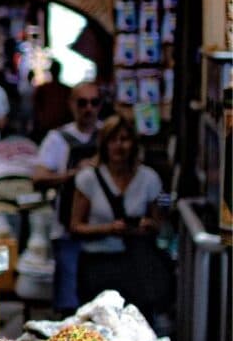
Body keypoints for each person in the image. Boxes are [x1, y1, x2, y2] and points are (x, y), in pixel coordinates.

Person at [69, 115, 170, 320]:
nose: (119, 146)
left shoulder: (149, 178)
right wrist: (108, 229)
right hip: (97, 265)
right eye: (113, 140)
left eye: (124, 139)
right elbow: (76, 226)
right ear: (104, 145)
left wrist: (145, 226)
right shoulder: (89, 179)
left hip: (136, 267)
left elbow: (159, 223)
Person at [32, 81, 102, 314]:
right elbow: (38, 177)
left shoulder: (109, 136)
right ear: (71, 105)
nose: (88, 108)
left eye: (94, 102)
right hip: (67, 231)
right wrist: (74, 174)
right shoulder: (57, 139)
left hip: (105, 233)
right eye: (82, 103)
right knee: (69, 303)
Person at [32, 59, 72, 142]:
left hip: (52, 126)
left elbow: (37, 107)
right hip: (51, 126)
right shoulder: (66, 89)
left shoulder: (44, 88)